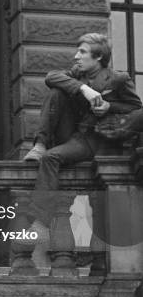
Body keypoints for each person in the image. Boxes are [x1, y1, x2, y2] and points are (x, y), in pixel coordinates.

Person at [22, 33, 142, 237]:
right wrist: (83, 89)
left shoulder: (118, 79)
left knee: (51, 158)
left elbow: (135, 107)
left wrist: (108, 106)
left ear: (98, 57)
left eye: (82, 52)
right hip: (73, 133)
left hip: (96, 139)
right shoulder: (77, 74)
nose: (76, 56)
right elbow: (51, 77)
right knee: (56, 92)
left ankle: (40, 222)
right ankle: (40, 144)